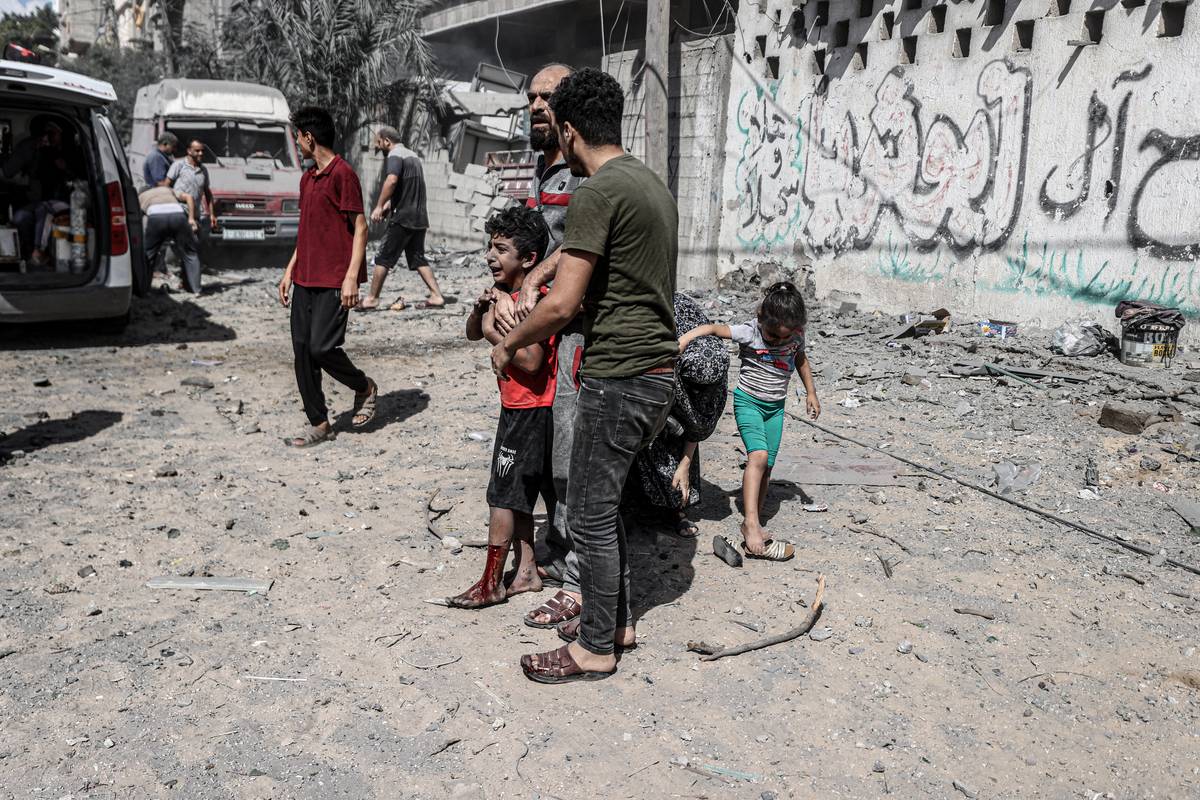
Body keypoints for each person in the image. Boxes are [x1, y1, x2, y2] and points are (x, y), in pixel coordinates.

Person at [489, 68, 679, 683]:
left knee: (591, 513)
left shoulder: (596, 191)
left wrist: (510, 339)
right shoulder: (647, 182)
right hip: (655, 373)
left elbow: (564, 305)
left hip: (618, 372)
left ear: (568, 130)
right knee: (608, 505)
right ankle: (617, 619)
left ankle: (595, 647)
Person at [491, 63, 587, 631]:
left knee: (567, 448)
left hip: (566, 330)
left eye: (546, 96)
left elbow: (577, 248)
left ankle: (577, 569)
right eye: (530, 96)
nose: (534, 106)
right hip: (536, 336)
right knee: (539, 442)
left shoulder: (581, 173)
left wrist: (531, 286)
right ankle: (549, 545)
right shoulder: (542, 167)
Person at [448, 206, 554, 609]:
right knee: (519, 494)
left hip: (531, 408)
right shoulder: (507, 296)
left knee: (503, 496)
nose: (491, 257)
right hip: (517, 407)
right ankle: (525, 570)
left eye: (502, 249)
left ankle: (491, 581)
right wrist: (481, 312)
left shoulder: (532, 303)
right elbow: (473, 333)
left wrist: (496, 330)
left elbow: (530, 361)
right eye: (490, 247)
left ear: (528, 259)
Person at [676, 282, 821, 561]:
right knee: (758, 456)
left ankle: (754, 518)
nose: (778, 342)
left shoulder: (795, 336)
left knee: (767, 465)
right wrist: (684, 340)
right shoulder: (750, 331)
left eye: (784, 337)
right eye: (772, 336)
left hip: (775, 409)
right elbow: (712, 329)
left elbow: (801, 360)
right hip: (749, 403)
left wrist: (811, 393)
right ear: (762, 319)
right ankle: (751, 525)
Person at [277, 106, 378, 448]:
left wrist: (351, 277)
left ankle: (363, 387)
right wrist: (290, 270)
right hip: (305, 278)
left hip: (334, 279)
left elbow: (361, 228)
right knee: (302, 352)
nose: (297, 143)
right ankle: (320, 423)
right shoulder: (308, 179)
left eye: (298, 137)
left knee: (321, 348)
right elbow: (307, 231)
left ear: (309, 137)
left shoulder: (342, 174)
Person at [627, 293, 730, 537]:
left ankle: (675, 508)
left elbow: (698, 424)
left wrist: (685, 463)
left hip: (676, 362)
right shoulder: (662, 352)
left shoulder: (714, 374)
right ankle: (633, 505)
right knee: (645, 431)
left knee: (679, 434)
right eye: (694, 388)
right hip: (652, 370)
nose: (700, 394)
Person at [358, 126, 442, 311]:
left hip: (403, 218)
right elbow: (407, 190)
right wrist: (389, 206)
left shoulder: (395, 155)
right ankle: (436, 296)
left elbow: (392, 180)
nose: (379, 148)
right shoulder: (413, 156)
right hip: (418, 217)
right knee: (418, 258)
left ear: (387, 141)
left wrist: (379, 205)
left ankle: (372, 299)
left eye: (379, 143)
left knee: (383, 257)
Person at [139, 184, 201, 293]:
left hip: (156, 218)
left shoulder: (140, 197)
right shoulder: (167, 189)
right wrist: (191, 218)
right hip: (178, 215)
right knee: (190, 254)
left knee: (148, 255)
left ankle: (144, 290)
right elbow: (189, 197)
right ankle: (196, 290)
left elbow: (137, 219)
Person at [167, 139, 219, 240]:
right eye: (197, 151)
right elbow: (165, 186)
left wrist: (212, 215)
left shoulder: (203, 170)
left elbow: (207, 193)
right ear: (189, 151)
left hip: (195, 216)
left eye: (202, 151)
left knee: (197, 245)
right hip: (179, 214)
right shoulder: (179, 165)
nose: (201, 153)